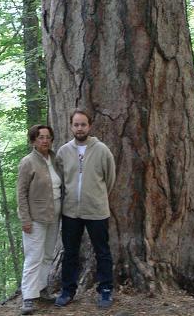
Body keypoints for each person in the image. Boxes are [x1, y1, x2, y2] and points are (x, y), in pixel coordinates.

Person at [55, 109, 116, 310]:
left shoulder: (102, 150)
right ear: (71, 126)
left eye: (83, 124)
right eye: (76, 124)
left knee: (102, 252)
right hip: (71, 211)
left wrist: (96, 197)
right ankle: (67, 290)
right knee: (70, 252)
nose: (79, 128)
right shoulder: (63, 152)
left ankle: (105, 290)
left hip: (97, 210)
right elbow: (60, 180)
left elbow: (110, 179)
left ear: (89, 126)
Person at [17, 124, 62, 315]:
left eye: (47, 137)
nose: (45, 140)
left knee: (48, 255)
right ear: (33, 140)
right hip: (35, 217)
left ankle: (42, 289)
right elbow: (21, 193)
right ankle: (28, 297)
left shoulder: (54, 159)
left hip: (55, 215)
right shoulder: (28, 162)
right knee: (33, 257)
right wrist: (25, 219)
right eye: (40, 137)